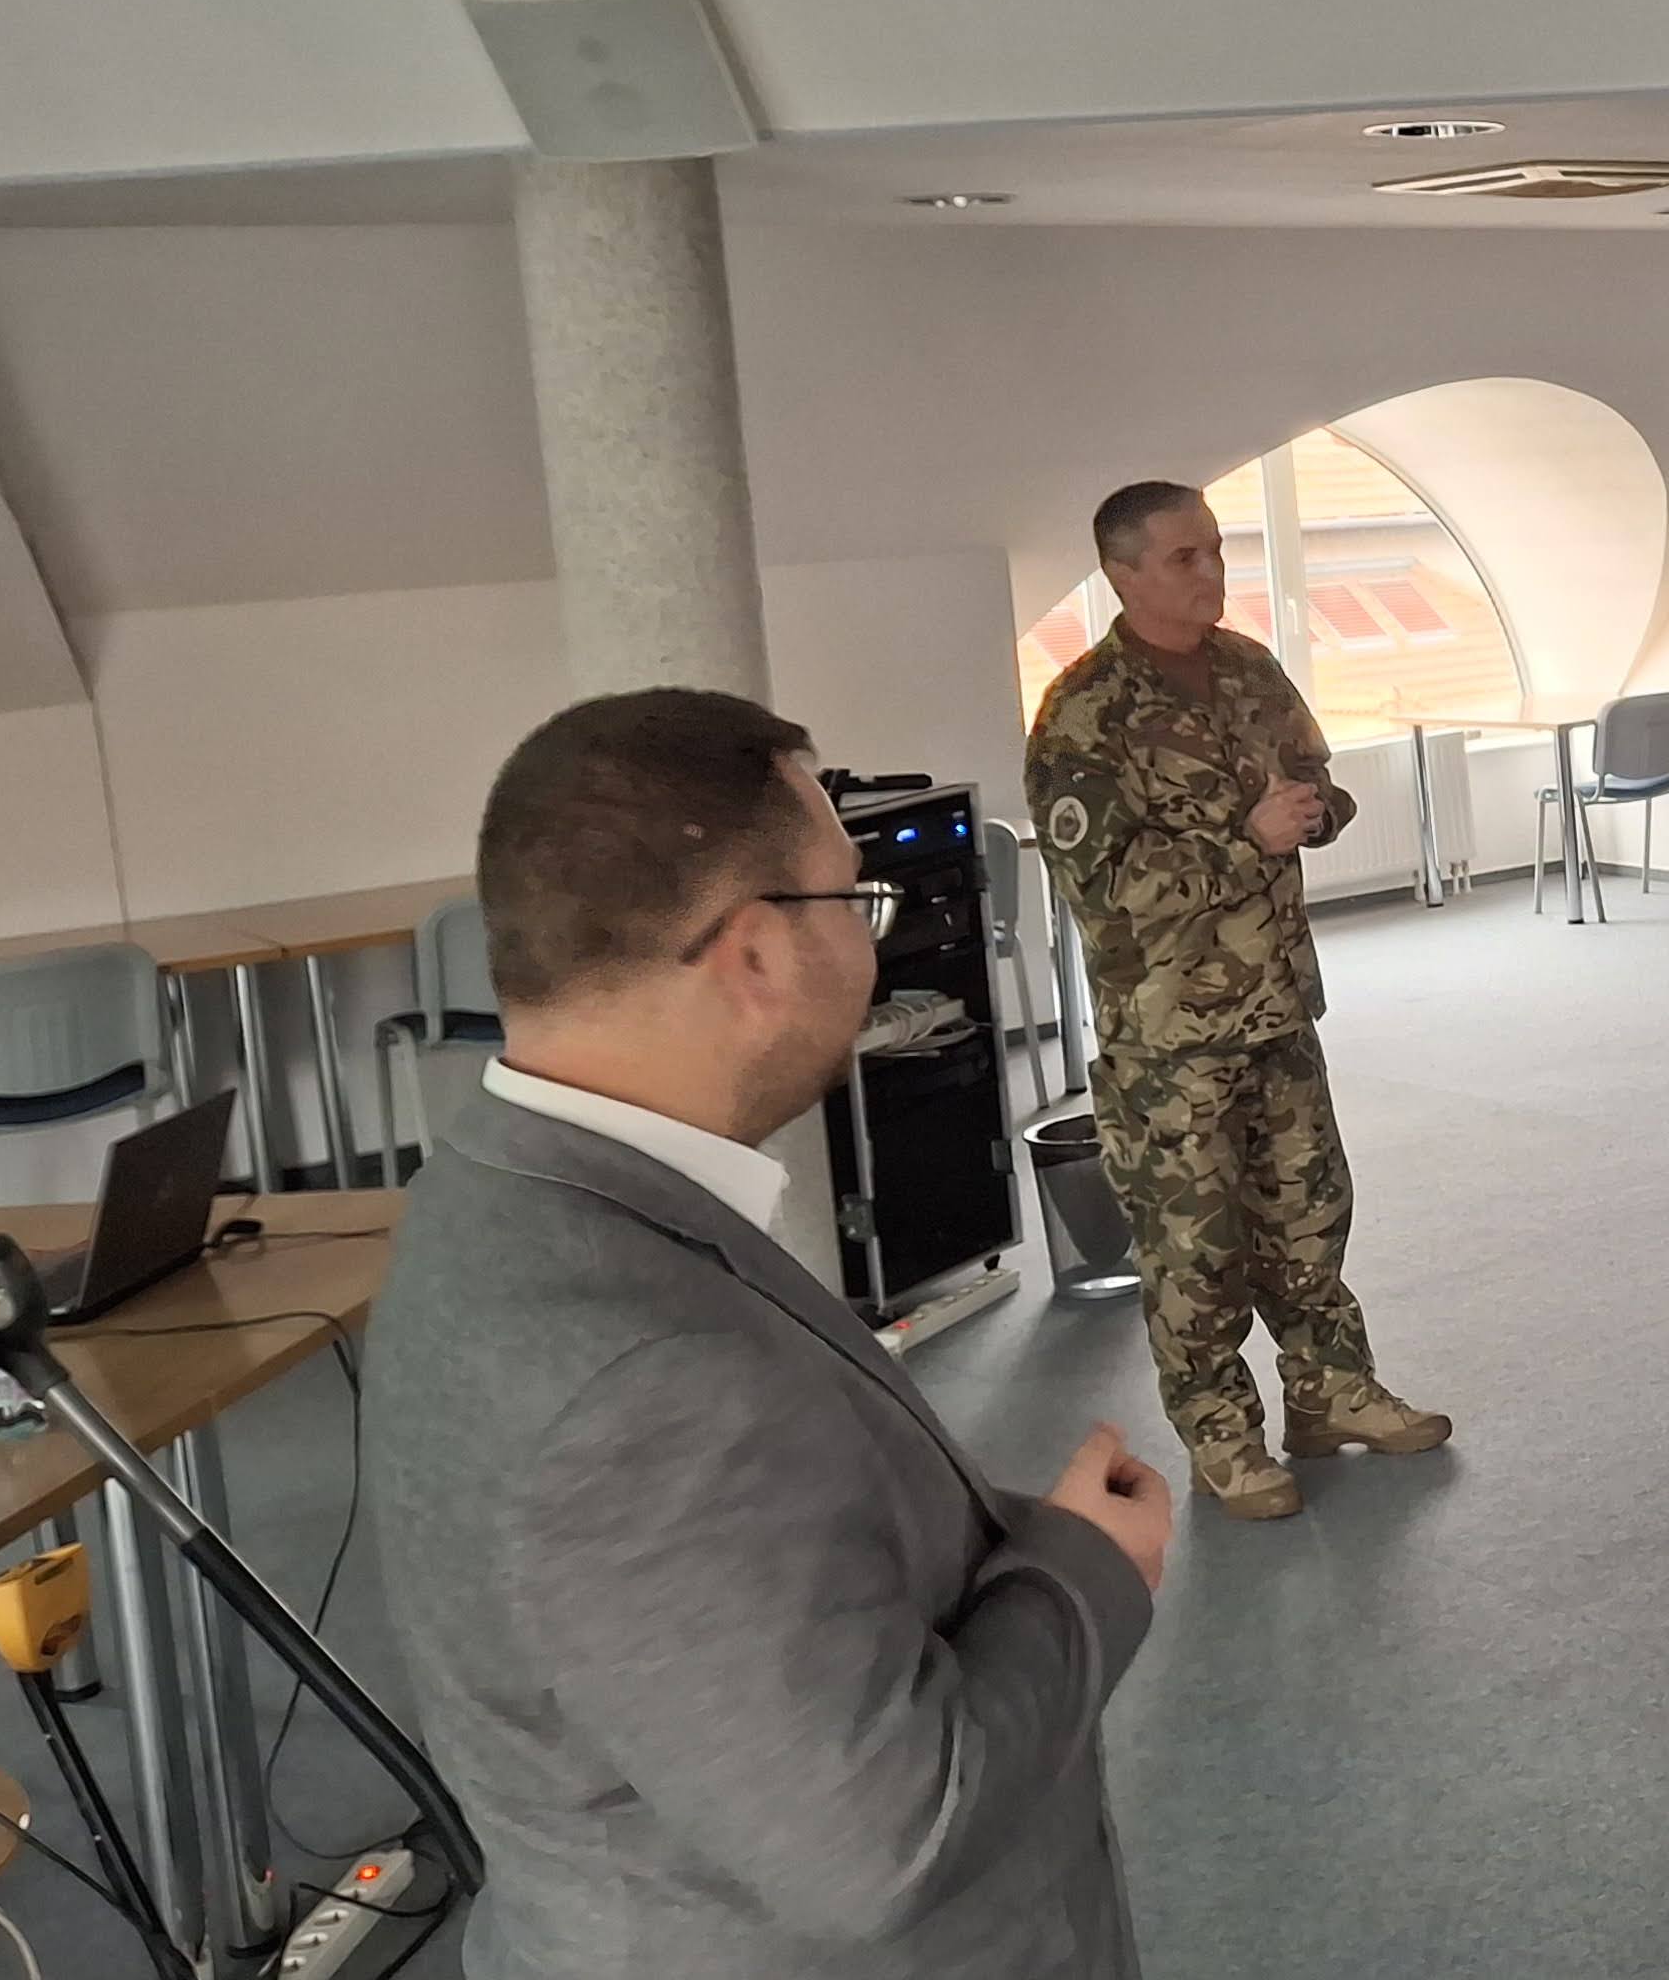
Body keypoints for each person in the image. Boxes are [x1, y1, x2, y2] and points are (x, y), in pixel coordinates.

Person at [369, 692, 1171, 1977]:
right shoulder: (641, 1376)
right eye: (858, 901)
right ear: (754, 955)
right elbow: (884, 1837)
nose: (874, 943)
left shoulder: (518, 1188)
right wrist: (1086, 1571)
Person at [1028, 481, 1446, 1524]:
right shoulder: (1084, 711)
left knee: (1311, 1216)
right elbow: (1101, 887)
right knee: (1196, 1248)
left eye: (1215, 548)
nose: (1212, 571)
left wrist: (1317, 811)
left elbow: (1316, 779)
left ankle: (1330, 1391)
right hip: (1172, 1035)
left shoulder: (1250, 668)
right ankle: (1221, 1432)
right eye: (1185, 557)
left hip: (1277, 1006)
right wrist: (1243, 840)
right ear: (1122, 573)